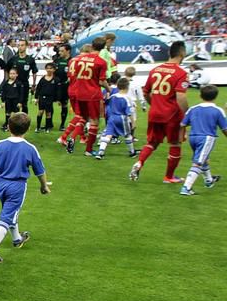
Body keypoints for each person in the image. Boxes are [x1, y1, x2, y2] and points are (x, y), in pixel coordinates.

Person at [0, 112, 50, 263]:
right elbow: (39, 170)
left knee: (10, 212)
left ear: (9, 127)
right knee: (7, 217)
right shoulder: (30, 148)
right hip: (17, 186)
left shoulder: (0, 144)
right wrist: (44, 185)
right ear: (28, 129)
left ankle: (17, 239)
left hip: (0, 184)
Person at [130, 40, 189, 183]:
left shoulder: (155, 70)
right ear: (182, 53)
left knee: (152, 142)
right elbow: (180, 96)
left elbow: (145, 92)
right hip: (172, 115)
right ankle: (169, 177)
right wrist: (188, 115)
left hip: (155, 113)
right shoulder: (181, 73)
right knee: (175, 144)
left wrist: (155, 104)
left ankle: (139, 163)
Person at [60, 39, 109, 155]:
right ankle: (88, 149)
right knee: (94, 121)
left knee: (82, 117)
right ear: (103, 48)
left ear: (92, 46)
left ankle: (72, 137)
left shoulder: (77, 59)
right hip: (92, 94)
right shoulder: (101, 62)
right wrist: (109, 89)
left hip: (78, 92)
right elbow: (101, 82)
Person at [178, 85, 227, 196]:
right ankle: (186, 187)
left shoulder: (193, 108)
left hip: (193, 137)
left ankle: (209, 181)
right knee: (198, 162)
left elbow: (182, 124)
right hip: (207, 138)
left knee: (203, 158)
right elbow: (224, 128)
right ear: (215, 97)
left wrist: (181, 137)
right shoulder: (218, 110)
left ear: (200, 95)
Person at [94, 78, 137, 159]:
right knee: (127, 135)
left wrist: (106, 97)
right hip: (122, 118)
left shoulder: (113, 96)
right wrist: (133, 123)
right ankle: (132, 152)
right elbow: (129, 112)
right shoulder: (127, 98)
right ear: (127, 87)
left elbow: (106, 101)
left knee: (108, 134)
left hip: (112, 118)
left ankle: (100, 152)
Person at [5, 39, 38, 117]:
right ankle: (12, 122)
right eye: (19, 45)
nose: (20, 47)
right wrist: (7, 80)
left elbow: (34, 72)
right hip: (13, 85)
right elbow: (6, 69)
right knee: (12, 103)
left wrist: (33, 84)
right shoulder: (13, 59)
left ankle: (25, 122)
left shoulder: (30, 59)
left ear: (26, 46)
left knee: (24, 104)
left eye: (22, 45)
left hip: (24, 83)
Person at [34, 63, 59, 133]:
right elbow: (38, 88)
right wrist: (36, 98)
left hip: (50, 98)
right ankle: (38, 127)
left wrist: (57, 99)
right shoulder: (42, 78)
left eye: (51, 68)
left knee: (48, 113)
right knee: (40, 112)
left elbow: (57, 90)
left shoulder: (56, 79)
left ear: (54, 70)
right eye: (47, 68)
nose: (49, 70)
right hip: (42, 98)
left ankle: (47, 128)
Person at [52, 44, 71, 129]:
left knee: (64, 104)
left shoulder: (72, 61)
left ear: (68, 51)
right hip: (55, 86)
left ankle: (62, 124)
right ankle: (49, 124)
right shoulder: (56, 60)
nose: (60, 53)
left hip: (65, 86)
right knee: (49, 104)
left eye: (62, 51)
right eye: (59, 51)